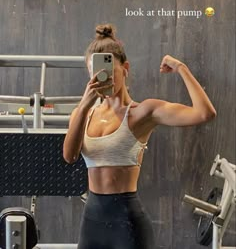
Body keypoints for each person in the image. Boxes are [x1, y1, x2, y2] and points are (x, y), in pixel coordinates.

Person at [63, 23, 217, 249]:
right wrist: (84, 107)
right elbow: (69, 156)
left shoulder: (143, 112)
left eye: (109, 71)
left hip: (127, 223)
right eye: (94, 73)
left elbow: (205, 113)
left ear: (125, 68)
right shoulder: (82, 113)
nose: (101, 78)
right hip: (92, 221)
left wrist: (180, 67)